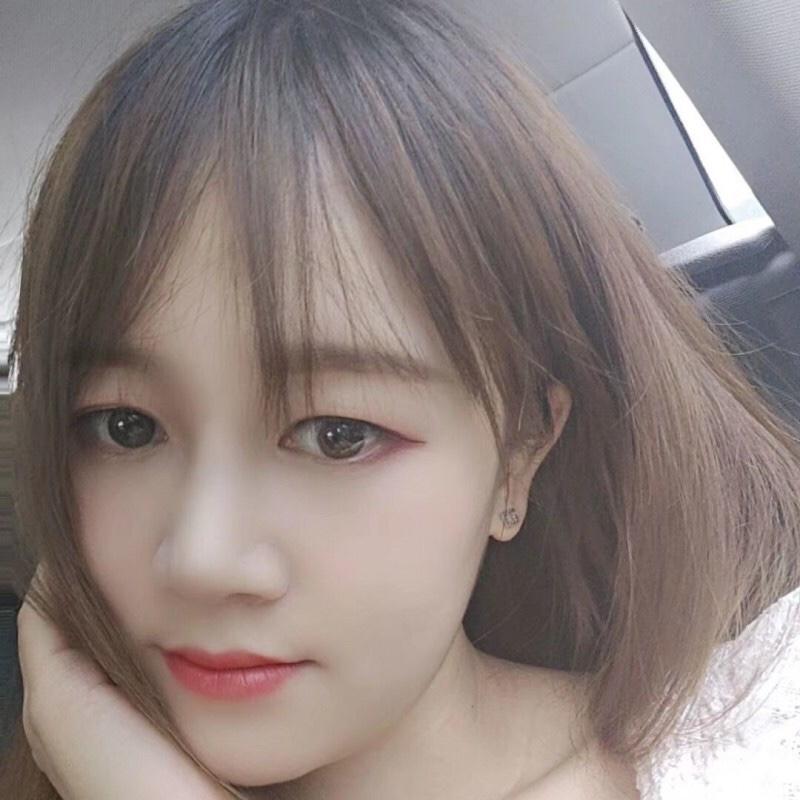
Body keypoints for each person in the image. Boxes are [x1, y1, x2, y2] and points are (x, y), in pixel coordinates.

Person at [2, 1, 799, 798]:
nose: (202, 558)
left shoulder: (762, 749)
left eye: (338, 434)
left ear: (521, 451)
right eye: (125, 427)